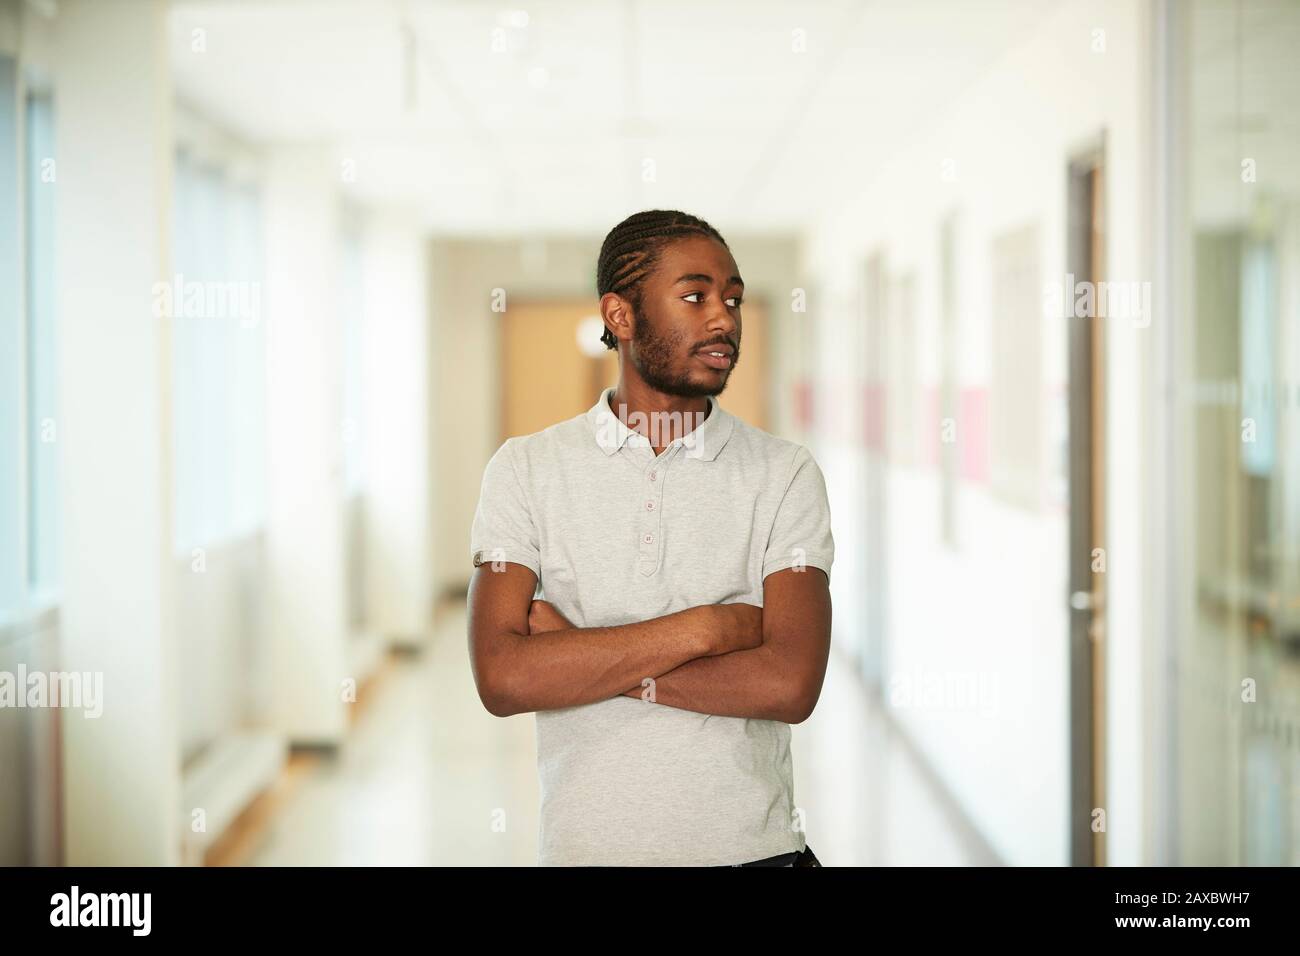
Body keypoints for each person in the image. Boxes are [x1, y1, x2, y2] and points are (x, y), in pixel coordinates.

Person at [467, 209, 834, 867]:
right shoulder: (524, 469)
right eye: (695, 296)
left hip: (755, 855)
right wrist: (708, 628)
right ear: (621, 315)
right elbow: (503, 678)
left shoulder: (785, 474)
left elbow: (788, 685)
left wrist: (578, 658)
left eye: (733, 299)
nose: (724, 319)